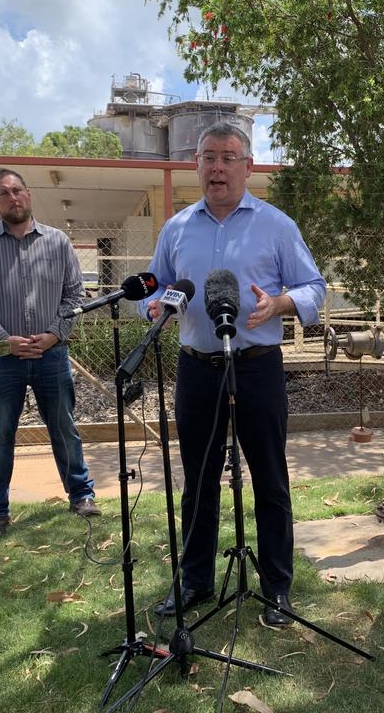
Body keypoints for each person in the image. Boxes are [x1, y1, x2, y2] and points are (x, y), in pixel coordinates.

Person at [143, 122, 326, 627]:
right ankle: (195, 581)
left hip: (257, 368)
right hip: (197, 369)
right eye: (208, 157)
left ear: (248, 166)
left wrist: (283, 302)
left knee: (270, 480)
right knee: (198, 482)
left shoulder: (276, 226)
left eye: (228, 157)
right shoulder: (176, 228)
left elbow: (315, 286)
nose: (218, 167)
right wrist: (154, 306)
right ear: (196, 166)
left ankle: (277, 589)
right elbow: (154, 286)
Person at [0, 168, 100, 541]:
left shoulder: (57, 242)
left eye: (17, 190)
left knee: (64, 428)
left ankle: (81, 495)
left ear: (29, 194)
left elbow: (74, 295)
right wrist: (4, 340)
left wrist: (55, 334)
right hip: (2, 359)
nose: (13, 198)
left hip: (51, 356)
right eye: (3, 194)